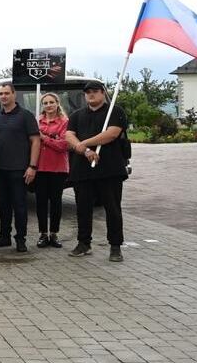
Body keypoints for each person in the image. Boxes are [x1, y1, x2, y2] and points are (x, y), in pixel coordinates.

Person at [65, 81, 129, 262]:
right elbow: (69, 135)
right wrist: (84, 150)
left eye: (95, 91)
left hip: (109, 170)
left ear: (103, 93)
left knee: (112, 209)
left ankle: (115, 246)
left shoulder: (115, 112)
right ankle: (84, 243)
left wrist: (84, 143)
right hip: (82, 170)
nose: (91, 95)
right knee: (83, 209)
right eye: (87, 92)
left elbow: (111, 134)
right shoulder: (77, 115)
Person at [0, 83, 41, 253]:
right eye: (0, 94)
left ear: (14, 94)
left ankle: (21, 239)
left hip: (20, 169)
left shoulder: (26, 116)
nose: (3, 96)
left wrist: (32, 166)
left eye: (6, 93)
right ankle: (4, 237)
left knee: (20, 206)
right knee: (3, 205)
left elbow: (36, 141)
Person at [35, 92, 69, 249]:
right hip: (40, 167)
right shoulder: (38, 122)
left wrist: (44, 138)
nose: (48, 105)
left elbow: (63, 146)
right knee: (41, 202)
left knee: (56, 202)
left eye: (51, 102)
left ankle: (54, 233)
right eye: (45, 103)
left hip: (58, 168)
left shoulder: (64, 122)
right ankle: (43, 233)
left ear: (57, 103)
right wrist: (52, 138)